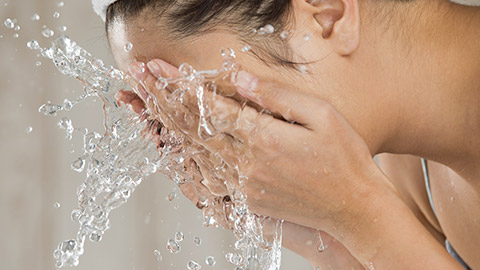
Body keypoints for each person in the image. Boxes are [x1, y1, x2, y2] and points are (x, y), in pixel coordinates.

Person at [94, 0, 480, 269]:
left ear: (328, 13)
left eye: (221, 109)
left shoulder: (378, 192)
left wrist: (360, 212)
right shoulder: (406, 167)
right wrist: (330, 243)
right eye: (180, 123)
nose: (225, 152)